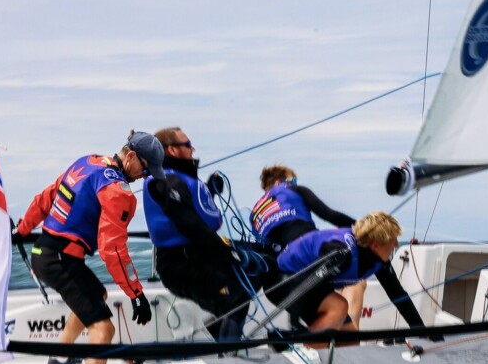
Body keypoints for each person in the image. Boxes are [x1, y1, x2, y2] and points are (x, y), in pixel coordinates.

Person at [14, 131, 164, 364]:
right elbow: (113, 248)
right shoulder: (117, 191)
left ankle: (60, 357)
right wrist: (136, 295)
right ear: (131, 157)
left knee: (98, 295)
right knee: (104, 329)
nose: (144, 176)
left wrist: (22, 230)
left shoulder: (87, 163)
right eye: (145, 170)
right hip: (60, 260)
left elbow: (46, 197)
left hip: (45, 253)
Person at [142, 127, 258, 341]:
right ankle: (229, 355)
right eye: (187, 144)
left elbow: (193, 207)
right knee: (236, 300)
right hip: (180, 265)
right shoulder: (162, 181)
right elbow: (189, 222)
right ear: (172, 150)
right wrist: (226, 252)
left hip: (201, 257)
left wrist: (211, 190)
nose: (192, 149)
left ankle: (218, 329)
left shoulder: (181, 179)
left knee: (258, 269)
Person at [267, 211, 425, 346]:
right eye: (393, 240)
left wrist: (422, 332)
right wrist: (294, 327)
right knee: (339, 306)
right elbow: (304, 286)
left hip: (309, 285)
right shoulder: (341, 254)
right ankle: (303, 348)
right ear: (375, 245)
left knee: (351, 341)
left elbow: (397, 294)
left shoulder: (377, 260)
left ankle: (312, 346)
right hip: (282, 280)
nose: (396, 244)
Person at [250, 164, 368, 328]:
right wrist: (367, 230)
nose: (294, 184)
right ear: (279, 182)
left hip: (278, 285)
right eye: (293, 181)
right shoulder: (294, 191)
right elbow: (330, 215)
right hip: (304, 270)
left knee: (343, 333)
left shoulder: (255, 215)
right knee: (357, 282)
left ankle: (305, 332)